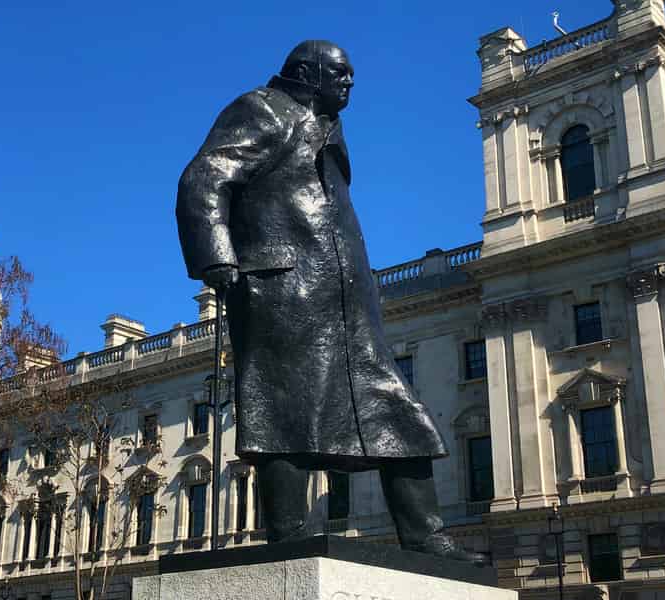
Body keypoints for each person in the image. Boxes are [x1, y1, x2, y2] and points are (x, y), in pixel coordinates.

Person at [177, 40, 484, 563]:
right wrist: (217, 258)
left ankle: (426, 536)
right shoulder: (261, 109)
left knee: (399, 412)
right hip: (281, 289)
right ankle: (289, 538)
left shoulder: (324, 125)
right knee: (283, 413)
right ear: (306, 73)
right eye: (340, 73)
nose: (349, 83)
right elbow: (203, 178)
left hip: (342, 303)